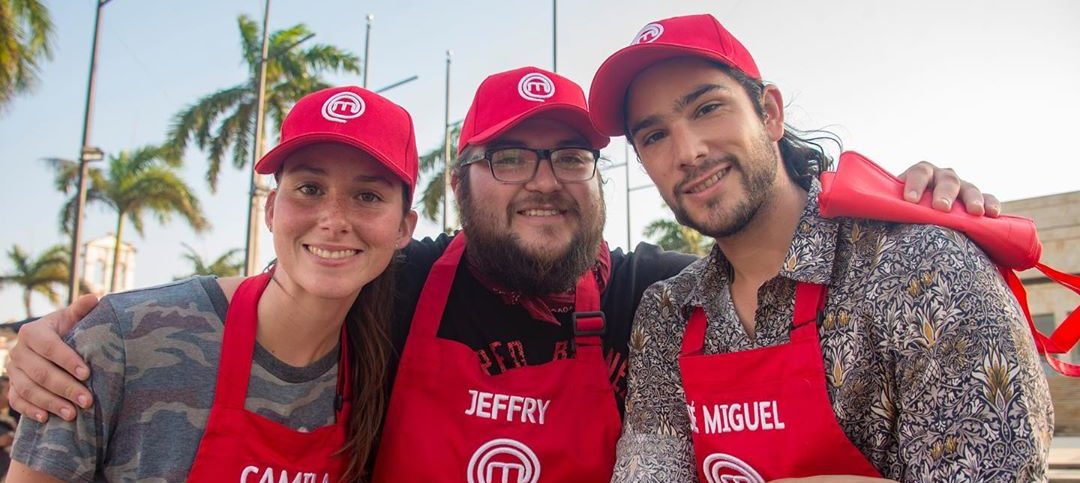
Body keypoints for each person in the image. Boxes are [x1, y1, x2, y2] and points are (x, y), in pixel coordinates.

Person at [5, 67, 993, 481]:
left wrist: (922, 204)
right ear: (459, 181)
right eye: (509, 158)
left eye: (568, 156)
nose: (542, 183)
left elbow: (777, 259)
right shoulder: (397, 281)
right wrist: (67, 335)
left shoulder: (656, 295)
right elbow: (277, 284)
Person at [585, 14, 1053, 482]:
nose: (687, 151)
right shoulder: (668, 312)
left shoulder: (924, 267)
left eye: (707, 108)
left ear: (769, 113)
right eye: (654, 136)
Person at [6, 85, 419, 482]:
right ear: (272, 209)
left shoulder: (381, 375)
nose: (333, 220)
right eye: (309, 188)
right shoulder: (125, 338)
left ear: (404, 228)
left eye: (367, 196)